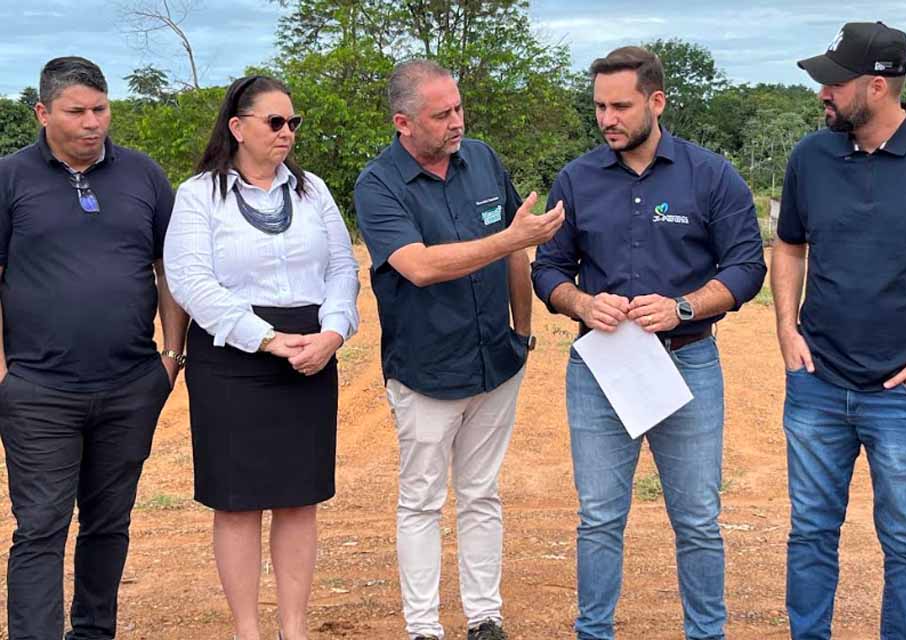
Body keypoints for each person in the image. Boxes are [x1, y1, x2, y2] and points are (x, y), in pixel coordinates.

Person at [532, 46, 766, 640]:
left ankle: (706, 633)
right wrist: (582, 303)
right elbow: (548, 268)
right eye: (599, 107)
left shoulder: (710, 175)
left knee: (698, 519)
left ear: (656, 102)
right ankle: (594, 631)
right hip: (602, 368)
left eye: (620, 107)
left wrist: (682, 307)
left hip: (687, 361)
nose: (607, 119)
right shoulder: (577, 179)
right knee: (598, 518)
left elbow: (746, 267)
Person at [354, 59, 563, 640]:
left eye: (458, 108)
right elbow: (419, 267)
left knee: (481, 494)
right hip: (426, 371)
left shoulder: (483, 160)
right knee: (422, 500)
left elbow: (516, 249)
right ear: (403, 123)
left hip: (496, 361)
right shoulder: (378, 184)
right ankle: (423, 627)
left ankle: (485, 617)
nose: (456, 122)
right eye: (440, 114)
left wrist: (522, 332)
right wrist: (509, 238)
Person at [772, 21, 906, 639]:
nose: (822, 93)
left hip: (905, 394)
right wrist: (786, 331)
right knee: (810, 532)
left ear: (877, 87)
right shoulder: (810, 156)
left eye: (834, 82)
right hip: (817, 383)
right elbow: (789, 245)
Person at [163, 75, 359, 640]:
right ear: (237, 127)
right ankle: (247, 631)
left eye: (293, 122)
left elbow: (342, 269)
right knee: (237, 502)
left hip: (310, 356)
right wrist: (266, 338)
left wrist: (332, 333)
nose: (286, 132)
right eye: (275, 121)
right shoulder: (198, 195)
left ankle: (294, 629)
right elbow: (190, 281)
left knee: (300, 500)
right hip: (231, 359)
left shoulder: (313, 190)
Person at [0, 56, 187, 640]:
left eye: (100, 109)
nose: (91, 122)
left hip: (131, 385)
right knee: (40, 527)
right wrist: (2, 373)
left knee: (109, 524)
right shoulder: (9, 178)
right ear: (42, 112)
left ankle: (93, 631)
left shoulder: (144, 175)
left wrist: (170, 356)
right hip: (38, 391)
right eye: (76, 111)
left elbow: (169, 267)